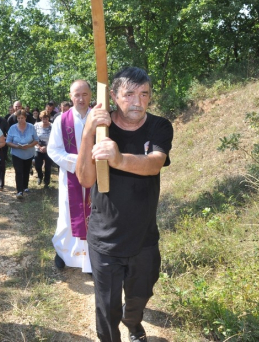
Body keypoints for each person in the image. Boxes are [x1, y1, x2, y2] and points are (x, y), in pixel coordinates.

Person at [76, 67, 174, 342]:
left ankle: (132, 320)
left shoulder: (159, 126)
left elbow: (154, 164)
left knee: (141, 294)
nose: (137, 101)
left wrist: (118, 159)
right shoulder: (102, 130)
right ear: (114, 97)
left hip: (143, 236)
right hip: (105, 238)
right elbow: (85, 179)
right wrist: (87, 133)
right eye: (129, 94)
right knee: (106, 307)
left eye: (144, 94)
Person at [47, 80, 93, 273]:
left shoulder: (99, 118)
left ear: (91, 95)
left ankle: (91, 262)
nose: (80, 99)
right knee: (68, 215)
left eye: (84, 94)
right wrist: (80, 163)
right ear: (70, 96)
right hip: (71, 178)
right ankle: (63, 252)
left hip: (96, 178)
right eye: (76, 95)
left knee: (94, 216)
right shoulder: (61, 120)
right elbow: (53, 150)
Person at [6, 109, 39, 199]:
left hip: (28, 153)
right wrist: (17, 146)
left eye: (22, 118)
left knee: (26, 170)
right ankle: (19, 191)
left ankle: (25, 186)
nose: (20, 120)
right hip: (16, 153)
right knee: (19, 171)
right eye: (18, 118)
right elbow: (8, 141)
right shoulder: (12, 128)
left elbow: (36, 140)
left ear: (26, 118)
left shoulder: (31, 127)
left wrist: (29, 145)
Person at [34, 110, 53, 187]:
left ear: (48, 118)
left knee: (48, 166)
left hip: (49, 149)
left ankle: (47, 181)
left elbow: (55, 139)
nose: (44, 120)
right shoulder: (36, 125)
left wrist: (47, 147)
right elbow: (33, 137)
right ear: (41, 118)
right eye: (43, 118)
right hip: (38, 148)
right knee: (37, 165)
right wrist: (39, 147)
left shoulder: (52, 126)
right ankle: (40, 176)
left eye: (46, 118)